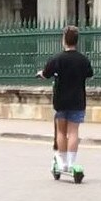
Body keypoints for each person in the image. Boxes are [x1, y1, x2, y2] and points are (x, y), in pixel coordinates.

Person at [37, 26, 94, 172]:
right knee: (73, 132)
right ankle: (71, 162)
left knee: (61, 132)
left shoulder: (57, 59)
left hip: (61, 101)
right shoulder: (83, 59)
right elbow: (90, 74)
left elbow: (46, 73)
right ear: (77, 41)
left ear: (64, 40)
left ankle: (61, 162)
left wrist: (41, 74)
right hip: (78, 100)